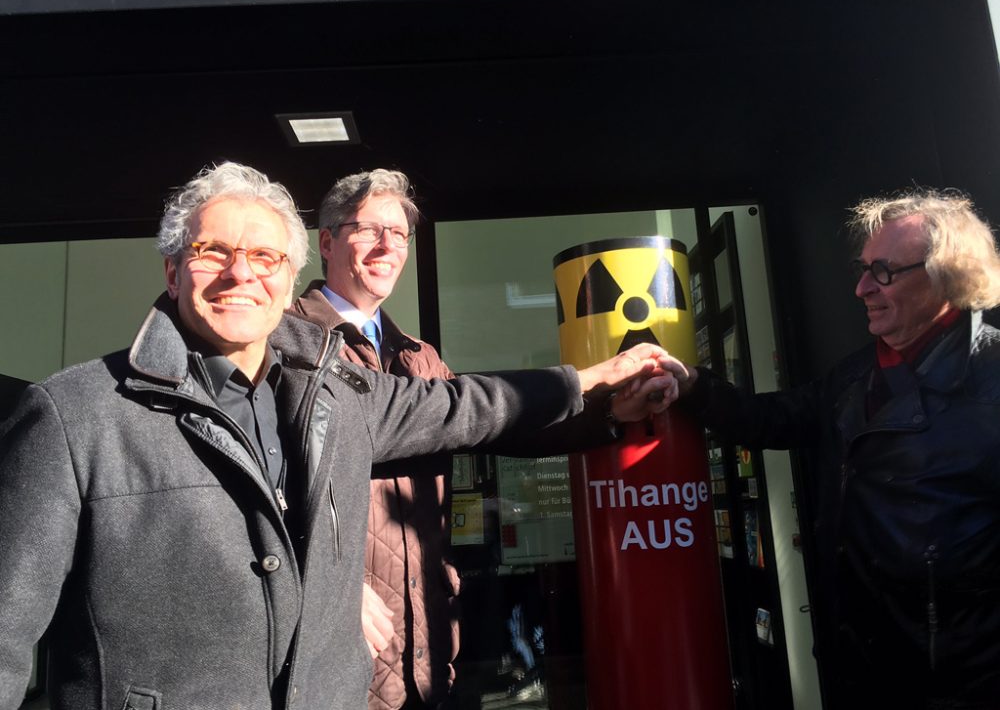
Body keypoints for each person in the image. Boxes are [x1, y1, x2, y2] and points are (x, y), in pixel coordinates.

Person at [0, 161, 685, 710]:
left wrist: (599, 400)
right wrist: (331, 582)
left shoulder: (372, 375)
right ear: (174, 269)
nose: (244, 274)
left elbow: (471, 413)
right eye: (215, 251)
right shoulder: (72, 414)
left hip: (399, 654)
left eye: (266, 257)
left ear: (286, 271)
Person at [292, 169, 634, 709]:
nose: (388, 245)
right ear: (327, 241)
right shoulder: (289, 343)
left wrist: (611, 413)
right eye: (369, 229)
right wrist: (322, 586)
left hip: (423, 640)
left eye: (400, 233)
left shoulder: (417, 355)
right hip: (334, 645)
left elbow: (488, 422)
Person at [678, 190, 1000, 709]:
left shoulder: (991, 381)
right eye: (863, 269)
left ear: (948, 274)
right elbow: (769, 421)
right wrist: (690, 384)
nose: (862, 287)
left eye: (883, 271)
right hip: (858, 669)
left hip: (958, 683)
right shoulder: (856, 374)